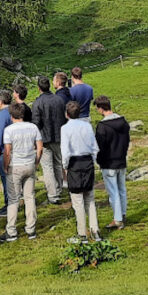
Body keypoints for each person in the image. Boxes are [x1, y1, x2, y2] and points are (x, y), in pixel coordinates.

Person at [0, 103, 42, 242]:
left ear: (11, 116)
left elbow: (7, 151)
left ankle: (11, 230)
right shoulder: (33, 127)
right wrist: (36, 161)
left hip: (15, 166)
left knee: (13, 199)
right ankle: (31, 229)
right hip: (29, 164)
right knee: (29, 197)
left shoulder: (9, 130)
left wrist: (5, 166)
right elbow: (39, 147)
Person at [61, 101, 100, 243]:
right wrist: (95, 161)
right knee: (89, 197)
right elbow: (94, 147)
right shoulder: (87, 126)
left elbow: (65, 151)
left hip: (74, 164)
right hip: (87, 161)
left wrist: (65, 167)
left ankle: (82, 233)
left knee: (77, 200)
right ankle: (95, 231)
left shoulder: (65, 129)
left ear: (66, 114)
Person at [94, 95, 130, 230]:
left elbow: (100, 147)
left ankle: (118, 219)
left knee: (113, 192)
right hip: (121, 159)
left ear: (100, 108)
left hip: (108, 162)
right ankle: (123, 213)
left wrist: (99, 160)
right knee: (122, 189)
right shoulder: (123, 122)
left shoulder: (102, 126)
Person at [31, 76, 66, 205]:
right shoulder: (59, 100)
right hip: (58, 136)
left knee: (47, 167)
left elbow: (36, 123)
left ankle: (52, 195)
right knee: (58, 163)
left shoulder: (38, 103)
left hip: (44, 139)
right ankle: (59, 189)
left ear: (39, 88)